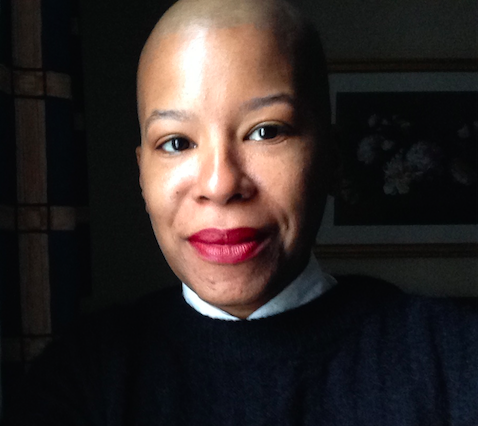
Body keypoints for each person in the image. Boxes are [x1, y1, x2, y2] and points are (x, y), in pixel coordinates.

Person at [4, 0, 477, 424]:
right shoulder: (80, 377)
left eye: (266, 132)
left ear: (331, 159)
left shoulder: (453, 359)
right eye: (176, 143)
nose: (221, 184)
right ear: (143, 175)